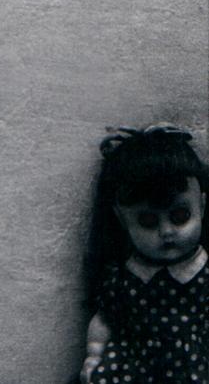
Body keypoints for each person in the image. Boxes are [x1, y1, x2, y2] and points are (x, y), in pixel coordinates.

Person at [78, 124, 209, 383]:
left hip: (193, 366)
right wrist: (94, 353)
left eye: (180, 216)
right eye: (148, 222)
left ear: (202, 207)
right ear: (122, 219)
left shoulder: (203, 274)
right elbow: (106, 319)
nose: (167, 232)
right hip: (133, 365)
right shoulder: (125, 277)